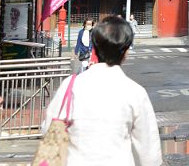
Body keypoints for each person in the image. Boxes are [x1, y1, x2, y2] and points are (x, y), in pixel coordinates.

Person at [41, 16, 160, 166]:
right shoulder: (135, 92)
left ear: (95, 47)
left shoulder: (70, 86)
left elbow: (48, 128)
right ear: (125, 53)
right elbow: (149, 152)